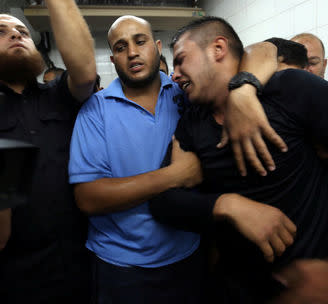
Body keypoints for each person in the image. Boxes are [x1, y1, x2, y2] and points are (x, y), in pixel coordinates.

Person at [146, 17, 328, 304]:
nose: (174, 74)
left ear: (218, 49)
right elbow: (162, 201)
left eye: (182, 59)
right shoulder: (193, 121)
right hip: (237, 289)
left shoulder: (291, 90)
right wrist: (226, 205)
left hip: (313, 290)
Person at [68, 15, 286, 304]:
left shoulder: (187, 94)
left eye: (140, 41)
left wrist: (243, 90)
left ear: (157, 47)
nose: (132, 51)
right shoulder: (95, 110)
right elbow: (88, 198)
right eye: (121, 47)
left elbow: (265, 50)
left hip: (190, 254)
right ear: (112, 58)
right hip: (120, 268)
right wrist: (176, 175)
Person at [0, 0, 96, 303]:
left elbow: (84, 73)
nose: (16, 35)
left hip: (82, 263)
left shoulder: (58, 95)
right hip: (14, 276)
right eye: (1, 31)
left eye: (22, 31)